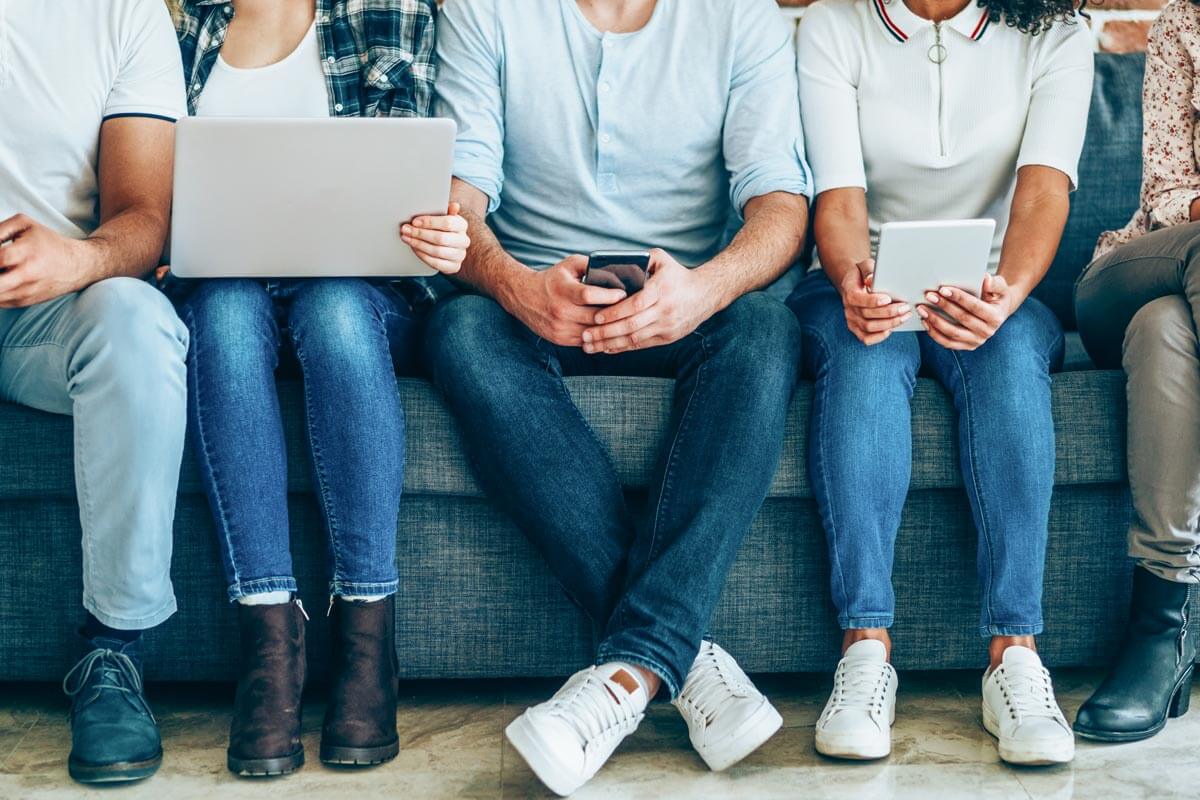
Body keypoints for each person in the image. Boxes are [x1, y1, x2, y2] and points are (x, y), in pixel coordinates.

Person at [427, 0, 811, 793]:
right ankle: (680, 659)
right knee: (459, 330)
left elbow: (782, 207)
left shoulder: (743, 16)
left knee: (767, 330)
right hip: (536, 295)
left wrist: (703, 291)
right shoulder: (481, 10)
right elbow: (459, 202)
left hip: (688, 298)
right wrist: (517, 287)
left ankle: (627, 673)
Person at [169, 0, 468, 777]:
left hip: (358, 290)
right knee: (224, 317)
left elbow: (407, 174)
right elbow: (152, 177)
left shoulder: (388, 12)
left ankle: (369, 642)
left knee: (335, 309)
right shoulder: (181, 25)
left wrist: (428, 229)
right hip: (226, 286)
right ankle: (270, 642)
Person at [792, 0, 1093, 766]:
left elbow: (1044, 189)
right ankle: (865, 650)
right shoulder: (833, 25)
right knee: (860, 365)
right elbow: (839, 195)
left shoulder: (1054, 33)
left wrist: (1008, 292)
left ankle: (1014, 657)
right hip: (860, 281)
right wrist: (856, 282)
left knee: (1012, 369)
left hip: (991, 286)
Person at [0, 0, 188, 785]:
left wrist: (76, 263)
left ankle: (111, 651)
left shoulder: (125, 14)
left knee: (136, 317)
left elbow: (144, 217)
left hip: (44, 313)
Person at [1073, 0, 1200, 744]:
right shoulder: (1186, 19)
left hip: (1170, 313)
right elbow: (1167, 193)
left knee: (1166, 334)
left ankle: (1161, 634)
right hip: (1139, 266)